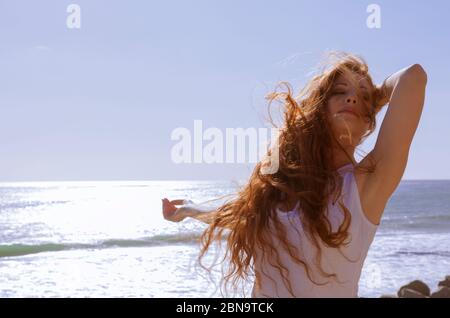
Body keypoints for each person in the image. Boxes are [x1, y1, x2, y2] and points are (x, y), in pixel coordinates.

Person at [162, 52, 427, 297]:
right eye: (340, 92)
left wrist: (375, 98)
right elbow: (237, 214)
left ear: (369, 122)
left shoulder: (367, 184)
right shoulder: (280, 187)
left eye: (362, 97)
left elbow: (413, 77)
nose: (352, 98)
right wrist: (189, 209)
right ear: (320, 109)